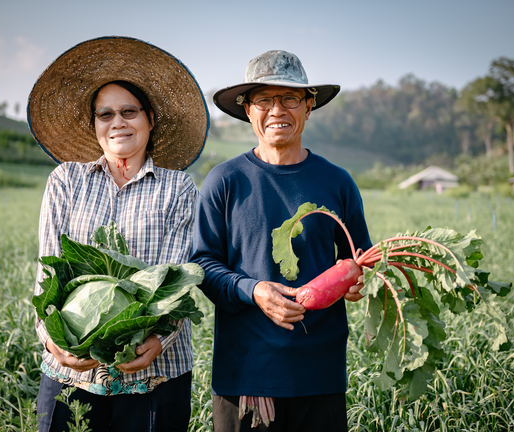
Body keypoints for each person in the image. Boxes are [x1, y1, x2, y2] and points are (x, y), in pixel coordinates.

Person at [28, 36, 209, 432]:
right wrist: (52, 341)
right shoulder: (66, 180)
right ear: (94, 123)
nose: (117, 123)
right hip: (69, 373)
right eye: (105, 114)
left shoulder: (177, 188)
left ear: (150, 119)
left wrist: (157, 342)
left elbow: (178, 280)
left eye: (129, 111)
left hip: (155, 375)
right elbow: (47, 275)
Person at [190, 50, 372, 431]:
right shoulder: (225, 181)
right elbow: (203, 265)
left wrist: (358, 282)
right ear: (247, 110)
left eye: (290, 98)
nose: (277, 110)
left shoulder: (337, 181)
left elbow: (359, 259)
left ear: (309, 107)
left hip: (318, 375)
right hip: (245, 376)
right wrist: (253, 290)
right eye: (264, 100)